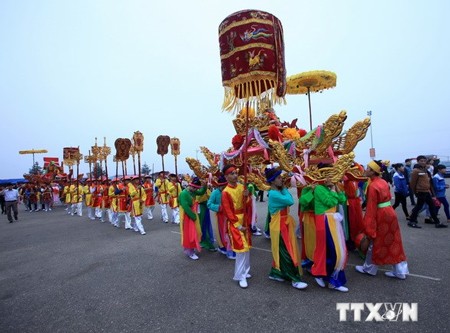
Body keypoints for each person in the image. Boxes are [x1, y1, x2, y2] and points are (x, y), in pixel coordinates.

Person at [355, 160, 410, 279]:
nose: (365, 170)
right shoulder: (383, 182)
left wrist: (368, 225)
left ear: (373, 172)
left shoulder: (373, 185)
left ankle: (369, 268)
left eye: (368, 168)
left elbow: (371, 207)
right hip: (390, 212)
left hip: (380, 214)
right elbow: (388, 197)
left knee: (374, 241)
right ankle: (400, 271)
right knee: (394, 241)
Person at [300, 177, 349, 292]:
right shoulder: (319, 189)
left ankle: (324, 276)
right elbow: (330, 202)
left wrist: (336, 189)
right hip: (324, 221)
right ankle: (328, 278)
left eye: (333, 175)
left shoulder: (331, 187)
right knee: (332, 251)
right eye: (329, 175)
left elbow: (343, 199)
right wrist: (333, 190)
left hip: (332, 221)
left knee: (333, 251)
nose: (332, 178)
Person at [265, 168, 308, 290]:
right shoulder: (273, 194)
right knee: (287, 251)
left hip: (282, 223)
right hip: (279, 225)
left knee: (282, 251)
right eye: (278, 178)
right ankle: (293, 278)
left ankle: (276, 273)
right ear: (272, 181)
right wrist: (283, 187)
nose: (281, 179)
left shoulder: (275, 192)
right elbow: (290, 200)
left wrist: (282, 187)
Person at [221, 164, 252, 289]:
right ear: (226, 176)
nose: (235, 175)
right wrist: (238, 225)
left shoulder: (241, 187)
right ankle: (240, 276)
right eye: (231, 174)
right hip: (235, 223)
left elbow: (247, 204)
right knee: (241, 250)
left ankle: (245, 270)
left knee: (247, 248)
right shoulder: (225, 192)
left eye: (235, 173)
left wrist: (247, 196)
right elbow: (228, 212)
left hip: (244, 218)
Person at [408, 155, 447, 228]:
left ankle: (437, 222)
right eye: (421, 161)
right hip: (420, 192)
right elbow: (412, 183)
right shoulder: (416, 171)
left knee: (431, 206)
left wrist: (432, 192)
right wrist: (415, 192)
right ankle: (412, 221)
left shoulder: (425, 170)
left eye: (424, 161)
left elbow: (429, 182)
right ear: (418, 161)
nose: (423, 162)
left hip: (427, 191)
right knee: (418, 207)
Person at [207, 175, 235, 258]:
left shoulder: (229, 190)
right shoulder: (215, 192)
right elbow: (209, 204)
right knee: (223, 232)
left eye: (225, 185)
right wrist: (218, 207)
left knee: (230, 231)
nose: (224, 187)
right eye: (222, 186)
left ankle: (231, 247)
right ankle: (224, 246)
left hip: (230, 214)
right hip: (220, 216)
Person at [178, 177, 206, 260]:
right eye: (194, 187)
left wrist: (205, 186)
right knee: (189, 233)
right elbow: (185, 206)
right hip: (187, 215)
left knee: (195, 232)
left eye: (196, 188)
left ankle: (192, 249)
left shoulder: (193, 192)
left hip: (193, 213)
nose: (195, 189)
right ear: (190, 185)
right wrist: (193, 217)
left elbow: (201, 193)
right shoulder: (184, 193)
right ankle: (190, 251)